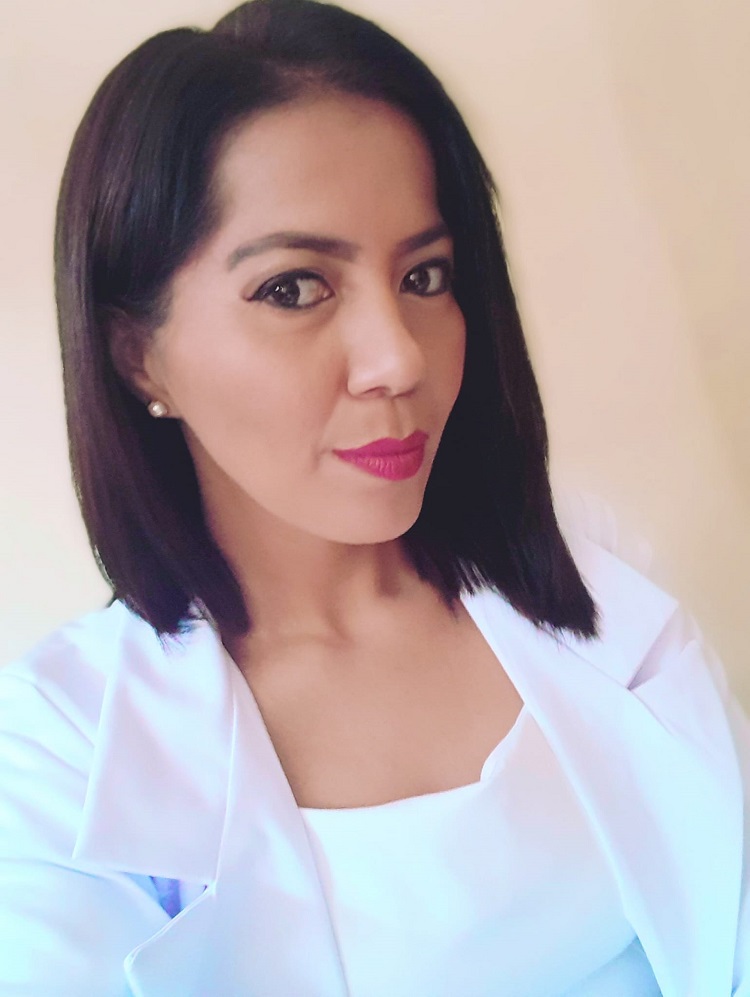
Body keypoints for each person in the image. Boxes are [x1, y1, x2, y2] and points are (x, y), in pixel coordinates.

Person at [0, 0, 747, 993]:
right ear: (141, 357)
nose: (399, 357)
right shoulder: (56, 751)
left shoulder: (592, 566)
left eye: (426, 275)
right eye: (294, 288)